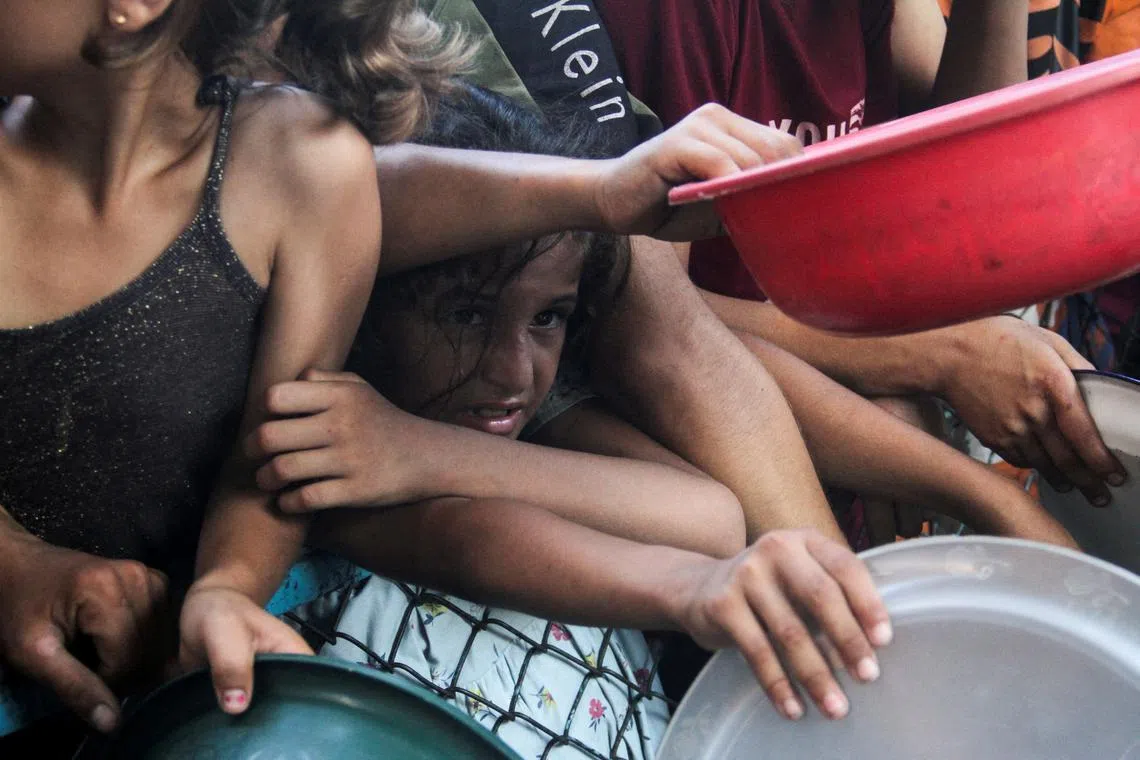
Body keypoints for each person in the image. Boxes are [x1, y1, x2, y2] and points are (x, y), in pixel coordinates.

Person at [250, 86, 1077, 747]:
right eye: (465, 316)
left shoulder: (482, 431)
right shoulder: (334, 440)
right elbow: (458, 535)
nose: (512, 368)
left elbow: (710, 515)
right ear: (363, 310)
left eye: (550, 319)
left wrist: (421, 450)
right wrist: (401, 450)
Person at [585, 0, 1127, 508]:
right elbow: (656, 318)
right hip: (709, 403)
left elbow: (975, 210)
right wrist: (940, 357)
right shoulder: (676, 14)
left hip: (831, 337)